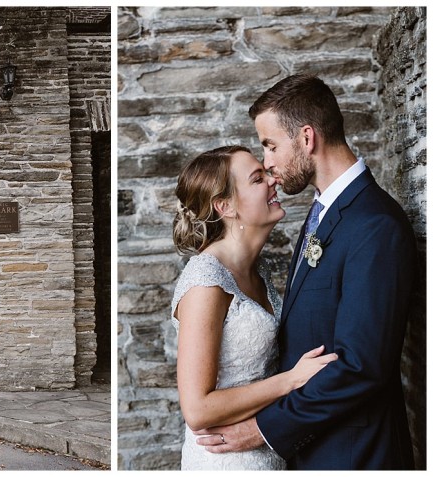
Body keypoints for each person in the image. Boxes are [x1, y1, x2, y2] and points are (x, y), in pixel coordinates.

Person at [194, 74, 417, 469]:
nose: (268, 162)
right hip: (312, 452)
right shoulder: (322, 214)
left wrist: (263, 428)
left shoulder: (374, 224)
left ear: (307, 138)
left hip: (353, 455)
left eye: (271, 145)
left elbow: (362, 366)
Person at [170, 145, 338, 470]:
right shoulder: (206, 282)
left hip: (266, 449)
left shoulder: (256, 269)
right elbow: (197, 410)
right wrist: (291, 380)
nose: (273, 180)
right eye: (257, 178)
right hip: (225, 460)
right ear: (226, 206)